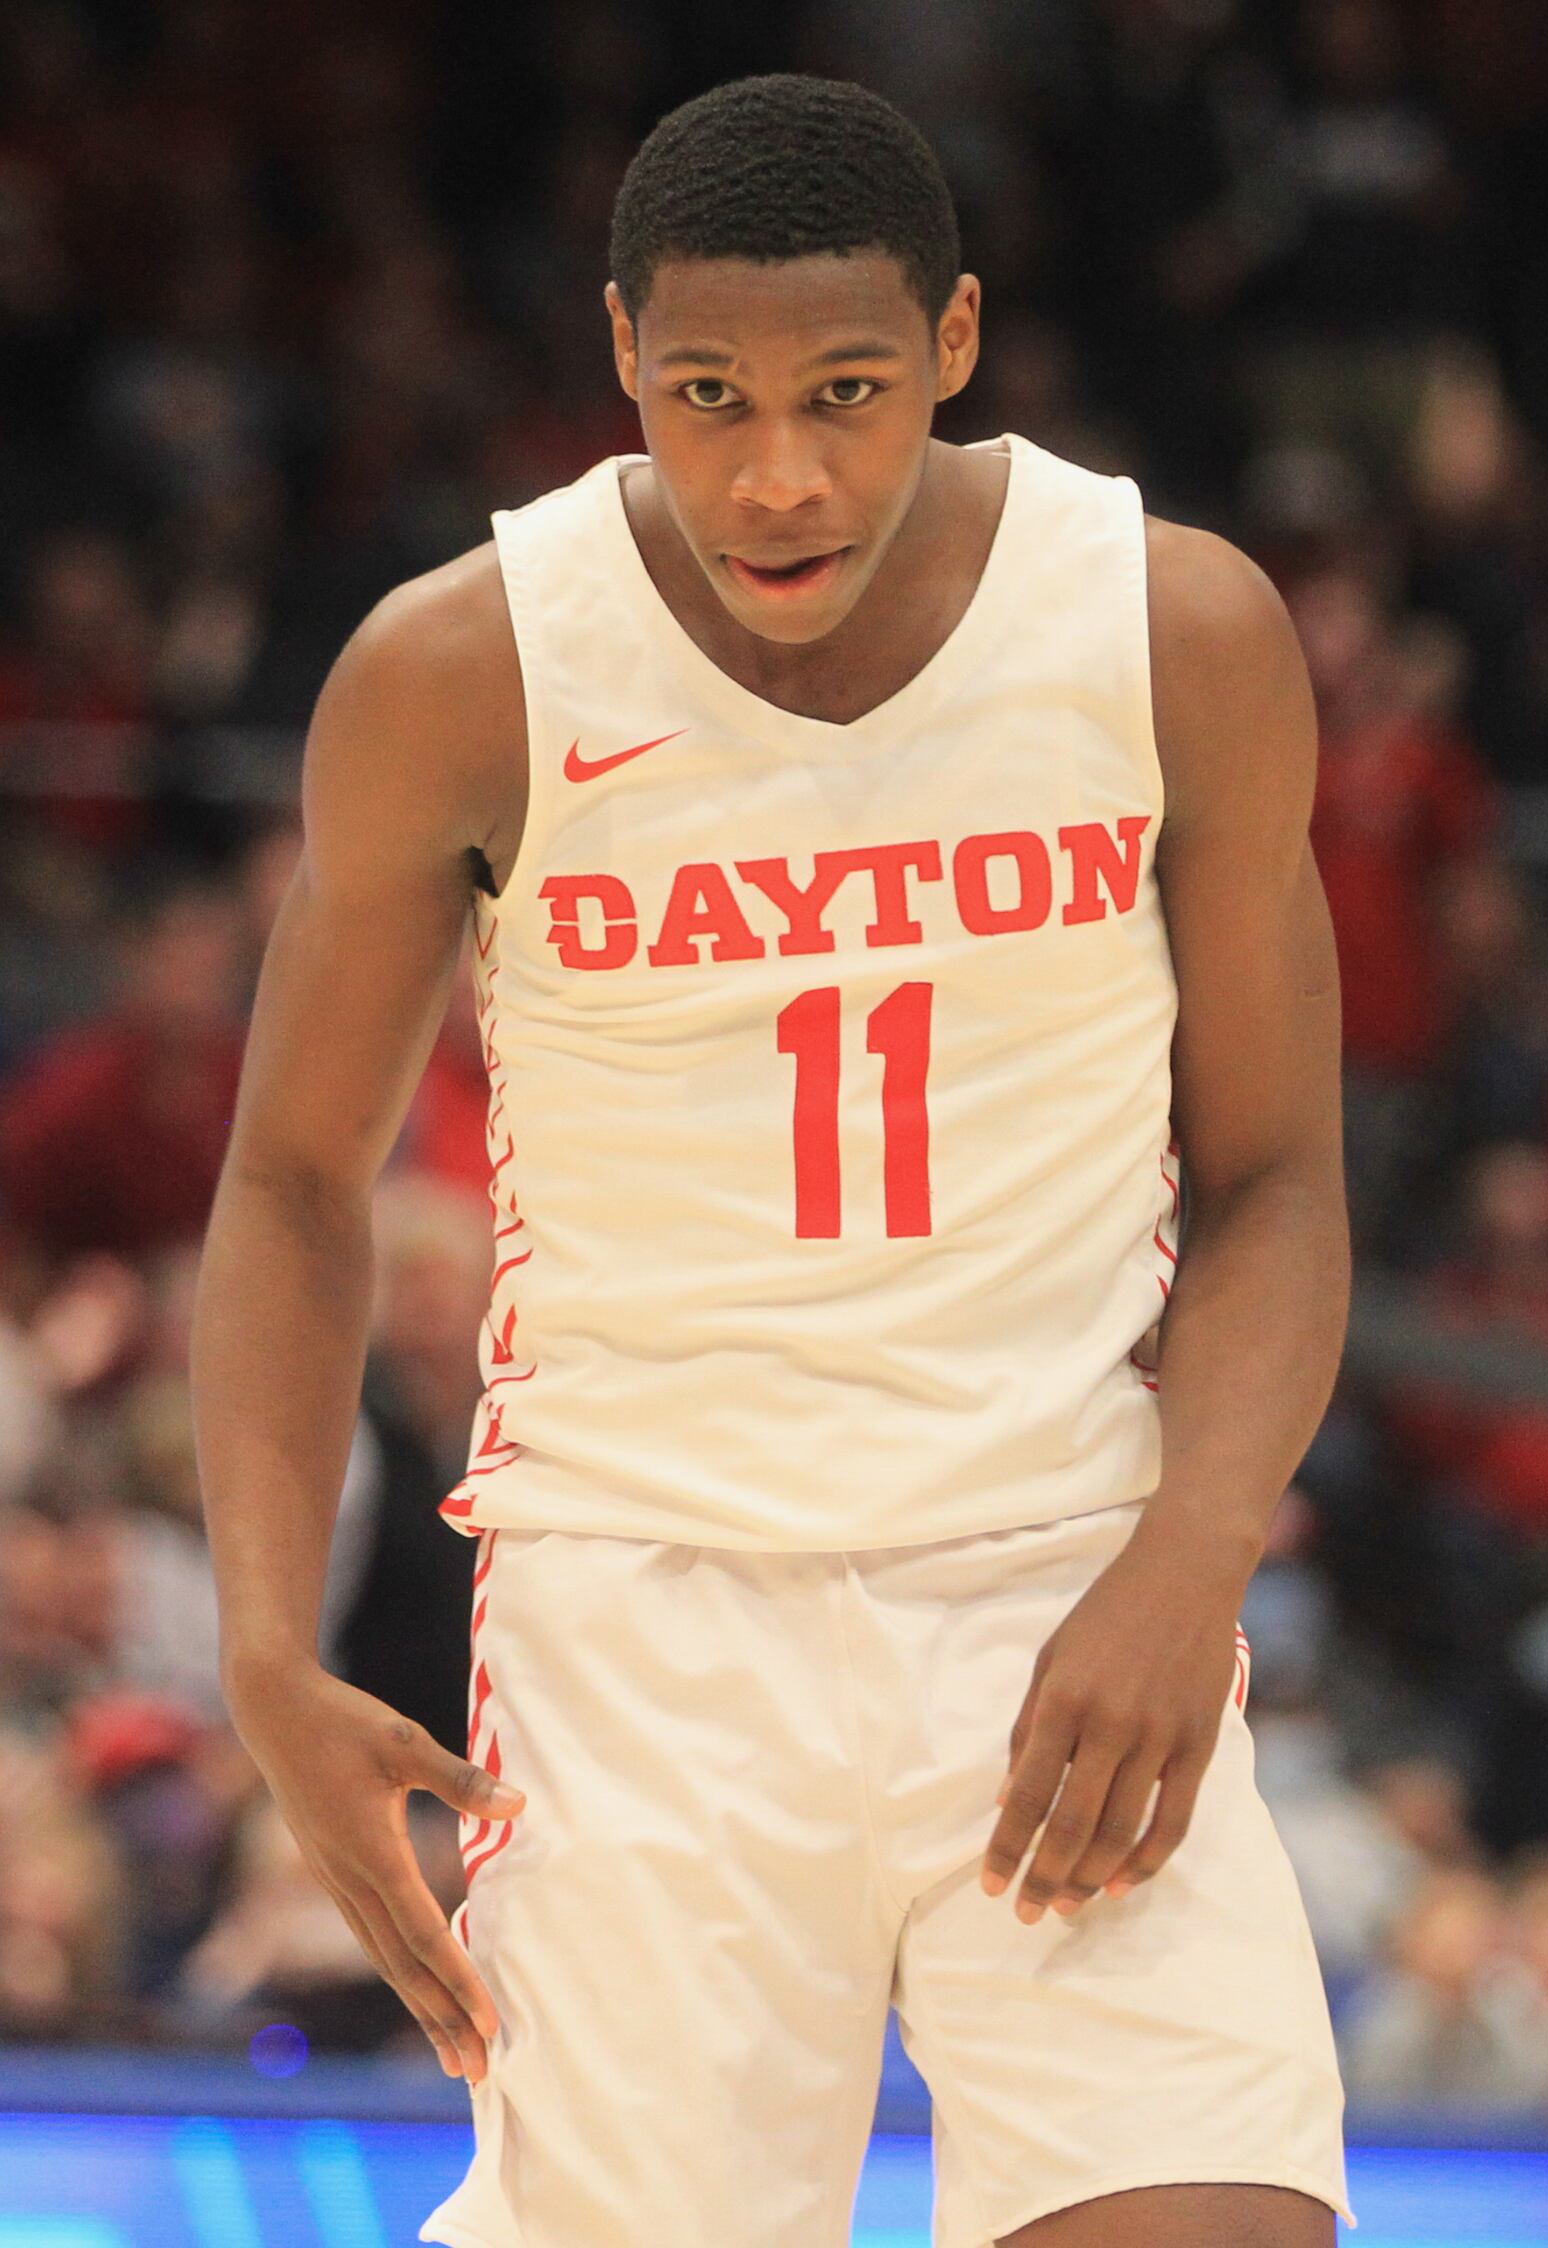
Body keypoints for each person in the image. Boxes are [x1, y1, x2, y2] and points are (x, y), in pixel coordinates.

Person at [191, 72, 1355, 2248]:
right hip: (647, 1619)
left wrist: (1192, 1556)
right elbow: (287, 1184)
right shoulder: (460, 669)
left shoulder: (1168, 628)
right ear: (625, 353)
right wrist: (263, 1646)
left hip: (1063, 1584)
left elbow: (1282, 1173)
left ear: (954, 343)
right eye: (710, 393)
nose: (779, 467)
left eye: (842, 389)